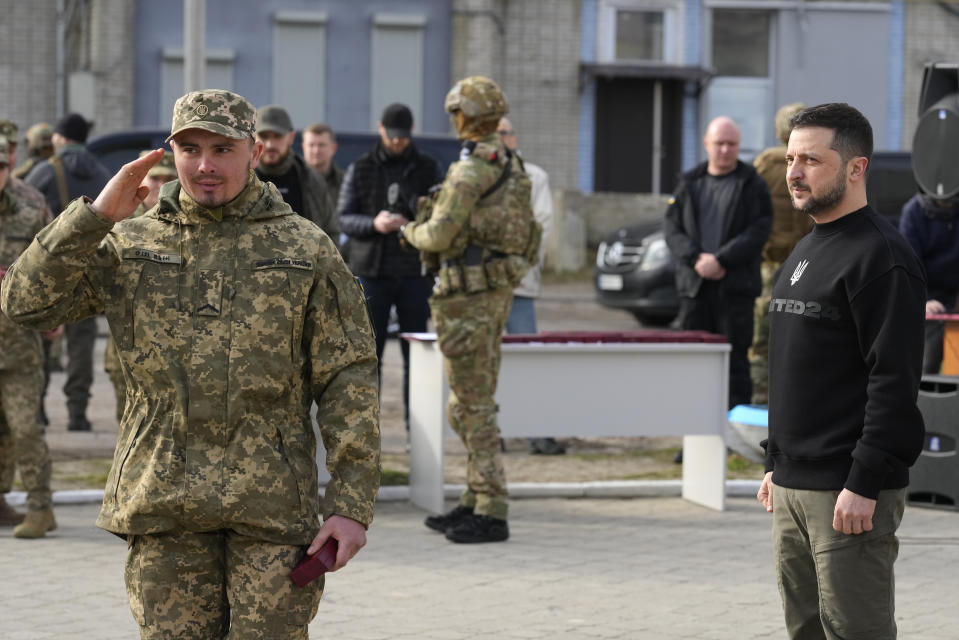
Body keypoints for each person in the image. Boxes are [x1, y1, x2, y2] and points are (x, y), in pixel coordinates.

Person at [1, 89, 381, 637]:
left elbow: (348, 375)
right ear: (168, 153)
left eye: (222, 148)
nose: (205, 165)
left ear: (253, 151)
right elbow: (25, 303)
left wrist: (350, 503)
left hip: (270, 507)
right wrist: (95, 217)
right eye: (191, 148)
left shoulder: (303, 247)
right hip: (163, 503)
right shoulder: (131, 241)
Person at [757, 103, 926, 639]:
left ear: (856, 168)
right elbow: (794, 369)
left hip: (848, 493)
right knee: (804, 630)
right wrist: (774, 462)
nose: (794, 172)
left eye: (811, 159)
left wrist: (865, 480)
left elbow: (894, 382)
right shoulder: (806, 247)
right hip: (792, 486)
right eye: (790, 158)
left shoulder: (882, 257)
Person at [402, 76, 541, 543]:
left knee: (472, 407)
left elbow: (439, 236)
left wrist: (409, 233)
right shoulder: (508, 162)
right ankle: (475, 497)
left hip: (468, 301)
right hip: (492, 295)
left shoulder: (469, 171)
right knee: (465, 405)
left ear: (465, 115)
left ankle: (493, 509)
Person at [338, 103, 443, 430]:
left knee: (418, 357)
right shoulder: (361, 167)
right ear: (381, 130)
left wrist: (412, 223)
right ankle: (370, 431)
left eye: (403, 137)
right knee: (369, 356)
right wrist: (375, 223)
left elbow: (441, 215)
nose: (397, 142)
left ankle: (419, 429)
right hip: (372, 272)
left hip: (415, 272)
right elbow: (343, 218)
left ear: (410, 133)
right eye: (392, 136)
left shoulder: (428, 167)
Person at [664, 116, 772, 410]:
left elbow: (760, 229)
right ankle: (695, 440)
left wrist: (722, 259)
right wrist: (697, 258)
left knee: (735, 365)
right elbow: (672, 229)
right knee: (693, 364)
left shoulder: (752, 185)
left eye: (732, 144)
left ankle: (733, 438)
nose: (725, 150)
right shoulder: (689, 183)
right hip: (695, 291)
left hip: (735, 291)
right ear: (706, 144)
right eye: (719, 143)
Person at [25, 112, 112, 432]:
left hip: (50, 273)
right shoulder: (103, 173)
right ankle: (78, 413)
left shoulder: (43, 171)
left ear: (60, 138)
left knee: (41, 343)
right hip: (89, 271)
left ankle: (38, 410)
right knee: (82, 346)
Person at [496, 116, 562, 455]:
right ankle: (494, 434)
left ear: (514, 137)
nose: (499, 138)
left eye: (504, 132)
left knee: (527, 360)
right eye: (493, 133)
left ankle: (537, 433)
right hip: (485, 290)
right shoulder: (473, 177)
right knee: (489, 364)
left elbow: (543, 227)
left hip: (519, 286)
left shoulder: (534, 177)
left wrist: (513, 265)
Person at [0, 135, 55, 537]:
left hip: (18, 344)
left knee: (25, 428)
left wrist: (56, 314)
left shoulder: (32, 206)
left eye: (1, 168)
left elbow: (57, 260)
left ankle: (40, 507)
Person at [103, 149, 178, 424]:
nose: (160, 186)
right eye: (154, 179)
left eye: (169, 179)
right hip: (125, 339)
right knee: (127, 419)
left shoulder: (181, 222)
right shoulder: (119, 219)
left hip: (167, 343)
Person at [749, 103, 811, 404]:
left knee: (762, 338)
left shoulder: (764, 165)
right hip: (807, 267)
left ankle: (760, 399)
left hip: (771, 265)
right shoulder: (816, 164)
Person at [254, 104, 338, 238]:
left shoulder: (311, 180)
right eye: (264, 136)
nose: (270, 144)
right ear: (253, 136)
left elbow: (330, 232)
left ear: (291, 137)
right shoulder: (239, 178)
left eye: (277, 136)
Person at [898, 192, 959, 373]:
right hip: (927, 301)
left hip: (954, 297)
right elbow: (909, 264)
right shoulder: (913, 212)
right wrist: (923, 300)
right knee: (926, 364)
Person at [303, 122, 344, 208]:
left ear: (333, 148)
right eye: (311, 145)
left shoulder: (345, 184)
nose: (316, 151)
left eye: (321, 145)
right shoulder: (292, 179)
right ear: (304, 147)